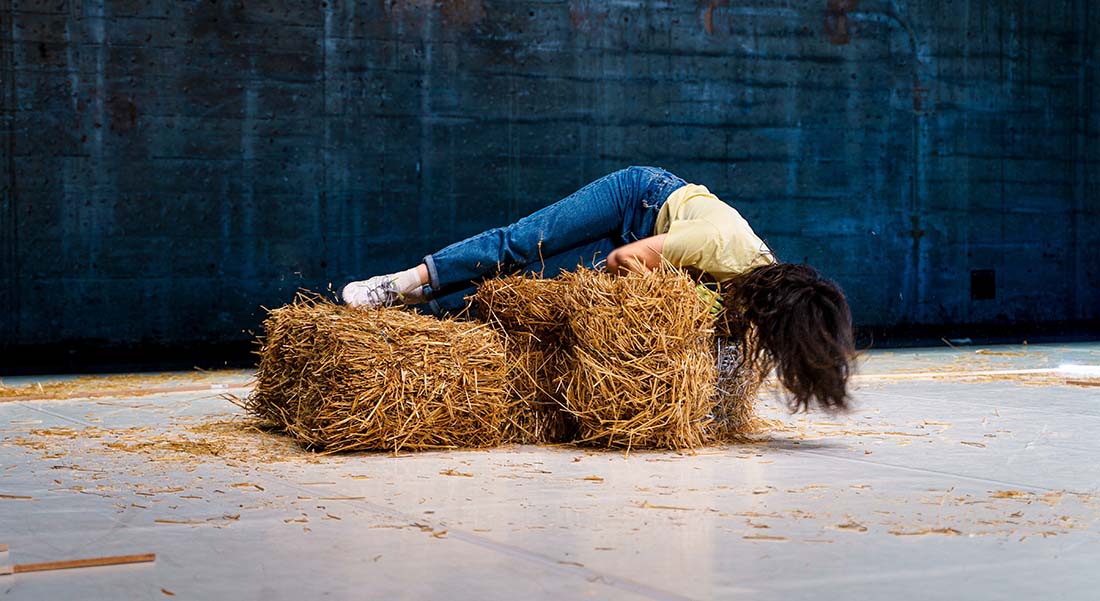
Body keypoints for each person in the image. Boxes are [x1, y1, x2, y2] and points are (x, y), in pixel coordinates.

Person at [342, 166, 855, 412]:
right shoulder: (720, 243)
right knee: (521, 245)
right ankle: (399, 285)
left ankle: (419, 319)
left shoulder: (759, 293)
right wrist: (670, 304)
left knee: (531, 288)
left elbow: (726, 343)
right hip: (637, 201)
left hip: (661, 241)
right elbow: (623, 259)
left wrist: (720, 411)